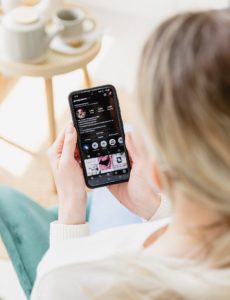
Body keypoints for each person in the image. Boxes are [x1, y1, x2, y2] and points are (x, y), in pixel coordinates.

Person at [31, 10, 230, 300]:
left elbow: (64, 281)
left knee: (123, 129)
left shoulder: (69, 277)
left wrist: (71, 210)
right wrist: (152, 207)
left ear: (157, 172)